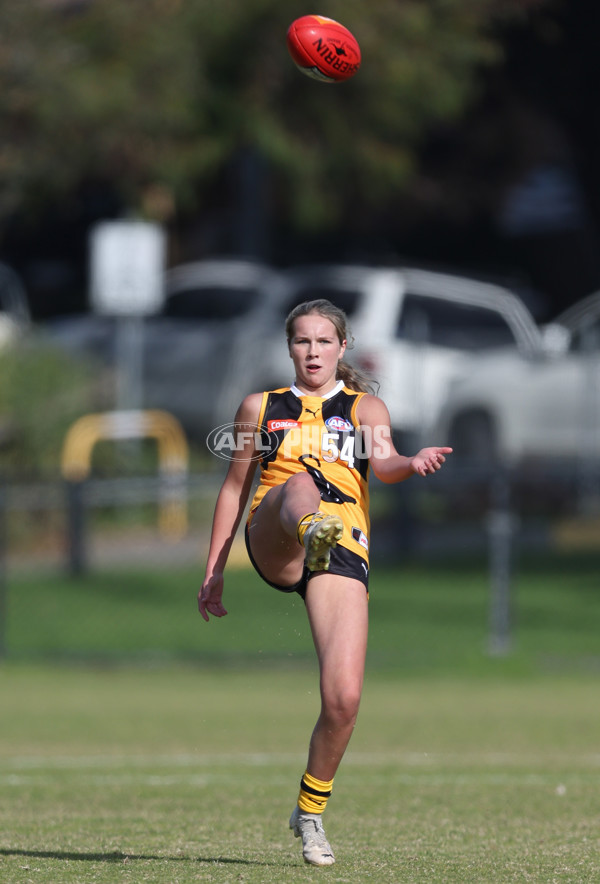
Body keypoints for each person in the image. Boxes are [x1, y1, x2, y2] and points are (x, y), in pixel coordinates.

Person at [198, 298, 452, 866]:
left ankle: (310, 813)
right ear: (289, 347)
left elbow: (384, 464)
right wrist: (214, 569)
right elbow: (235, 488)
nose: (312, 352)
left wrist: (412, 463)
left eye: (323, 341)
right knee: (299, 485)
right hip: (277, 533)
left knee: (344, 699)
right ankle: (311, 524)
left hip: (342, 544)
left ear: (342, 347)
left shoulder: (365, 408)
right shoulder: (261, 407)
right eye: (302, 341)